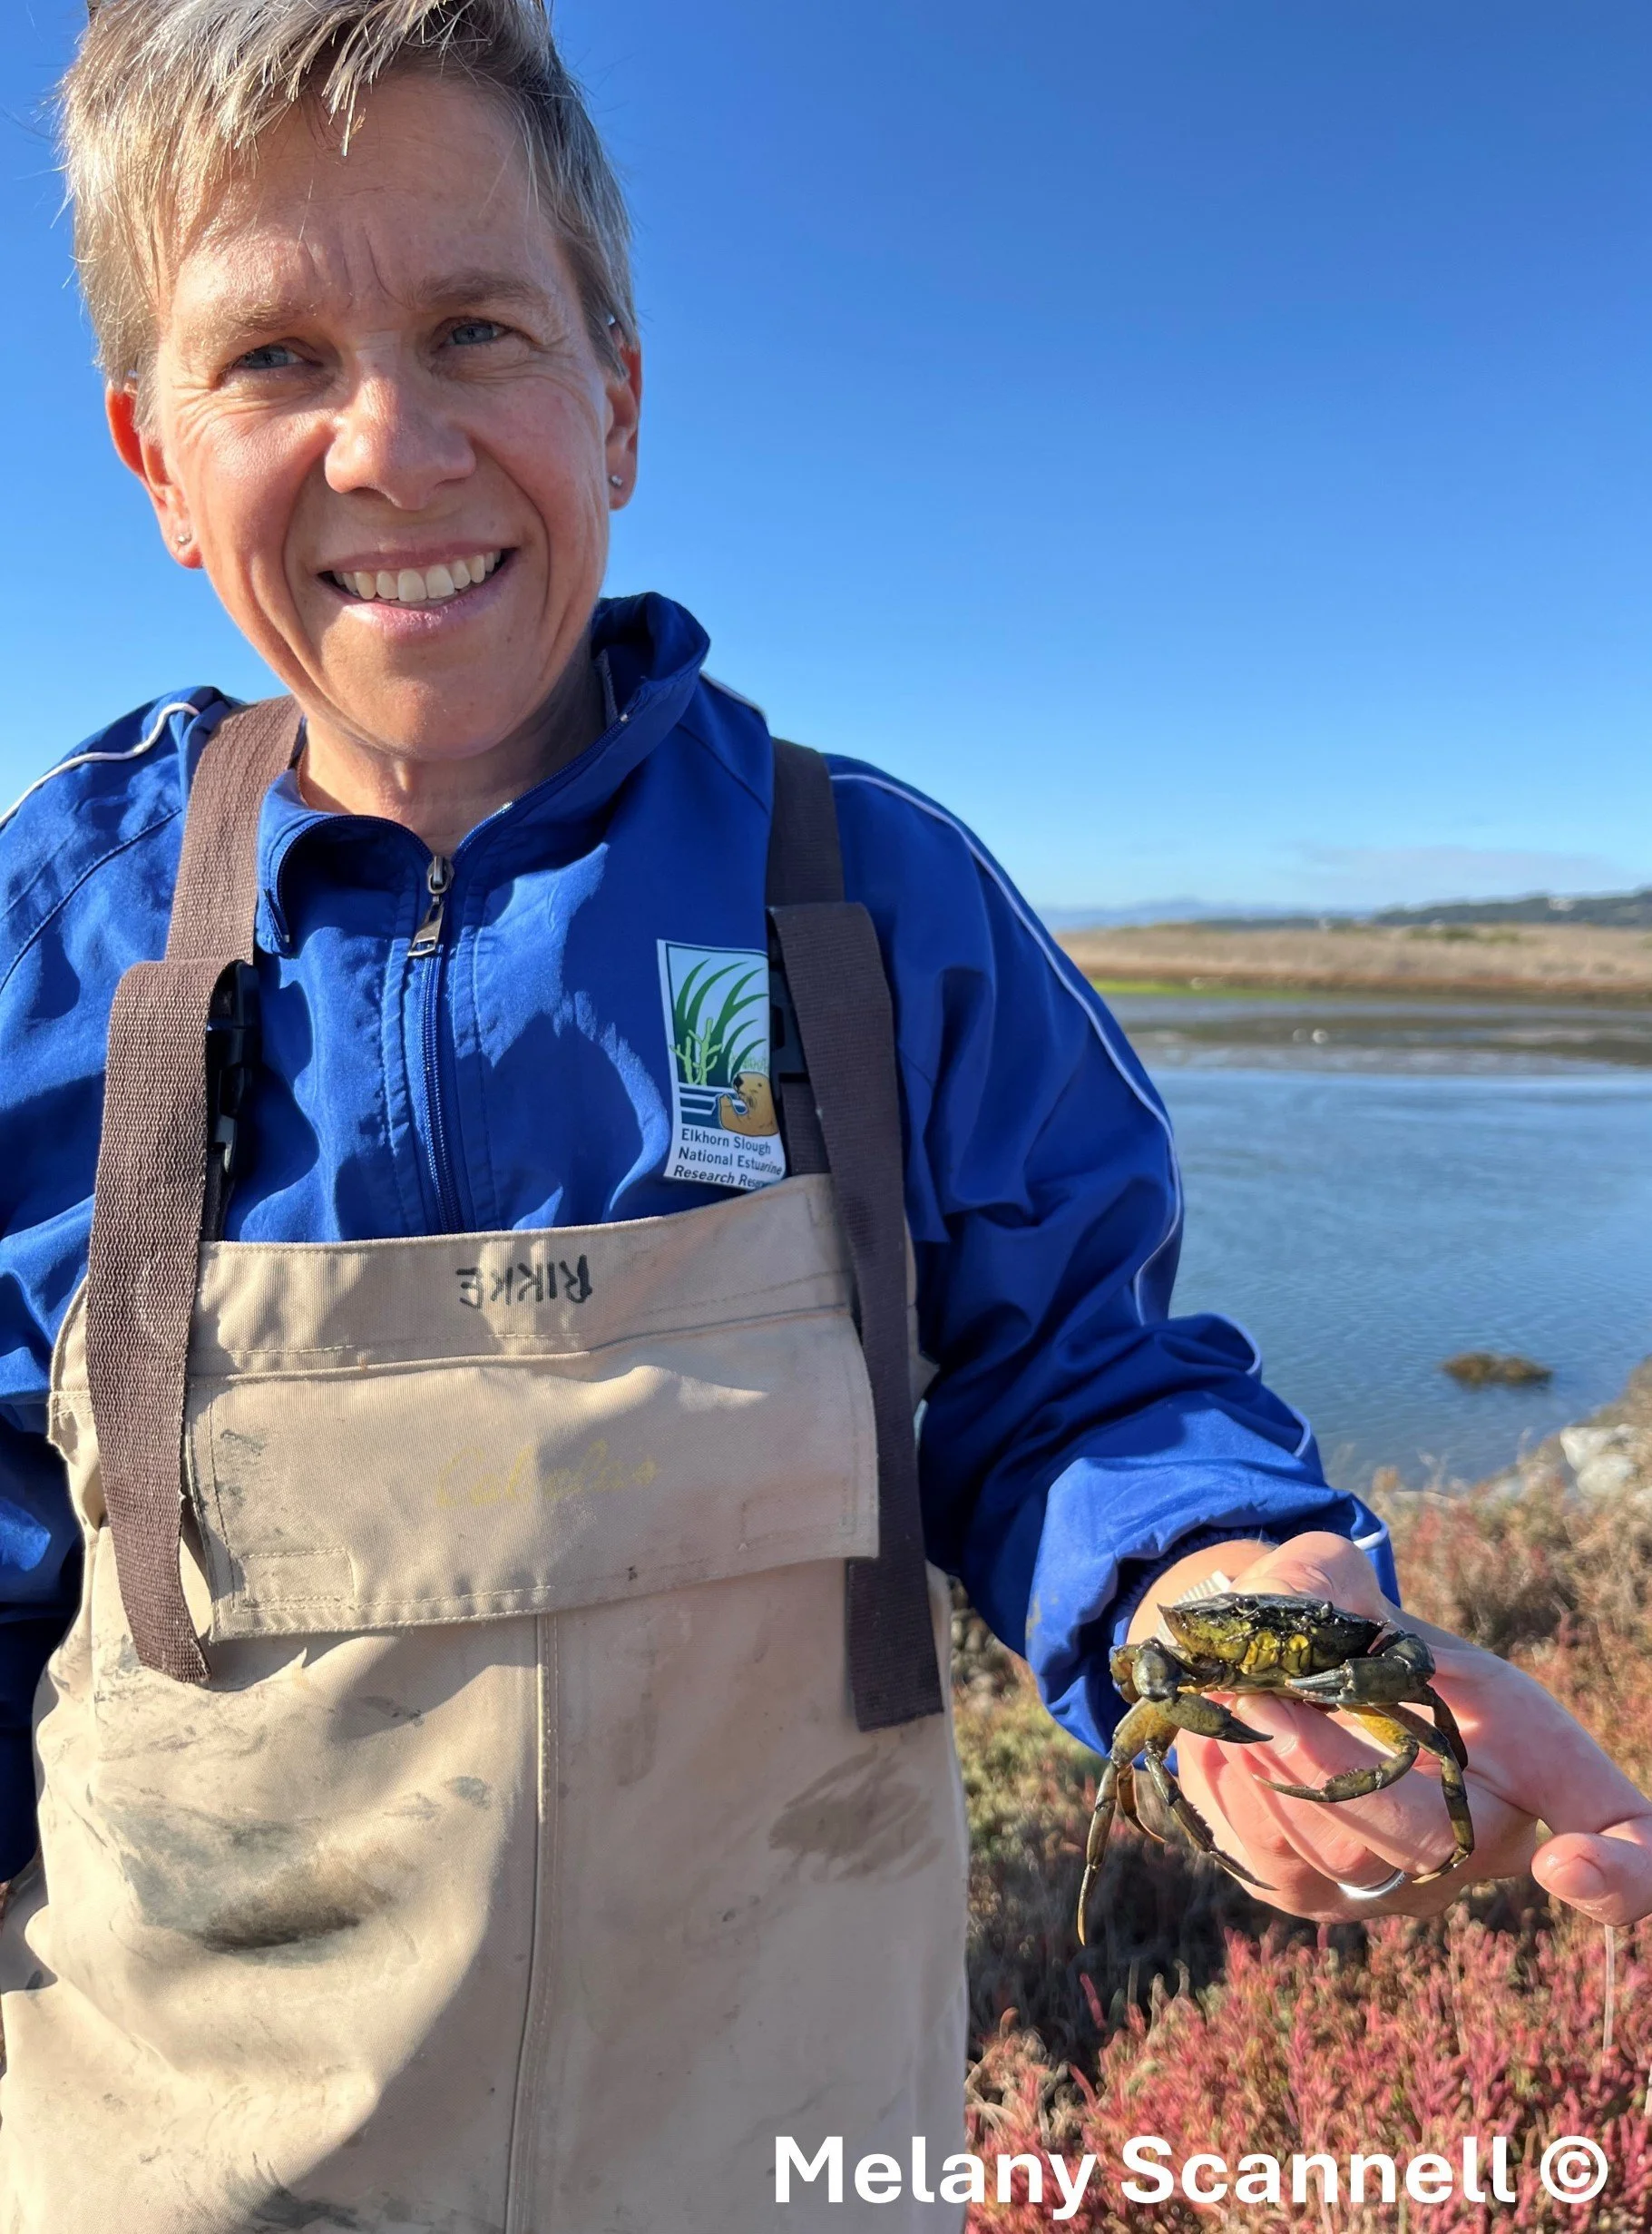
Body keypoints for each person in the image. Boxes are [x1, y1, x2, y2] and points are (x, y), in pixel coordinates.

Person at [0, 4, 1647, 2229]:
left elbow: (1074, 1376)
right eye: (274, 358)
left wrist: (1215, 1590)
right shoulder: (45, 947)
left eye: (477, 327)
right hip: (164, 2161)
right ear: (153, 463)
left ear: (623, 396)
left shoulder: (871, 898)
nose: (389, 443)